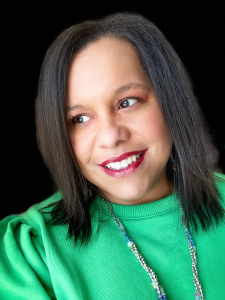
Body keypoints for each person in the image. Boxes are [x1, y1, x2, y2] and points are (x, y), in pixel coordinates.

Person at [0, 12, 224, 300]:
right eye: (80, 118)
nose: (110, 136)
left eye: (127, 102)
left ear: (170, 100)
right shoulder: (30, 254)